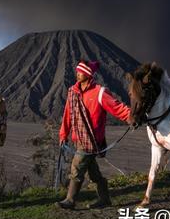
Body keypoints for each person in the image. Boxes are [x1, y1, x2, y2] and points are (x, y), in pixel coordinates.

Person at [57, 60, 133, 210]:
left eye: (81, 72)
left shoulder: (99, 92)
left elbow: (116, 107)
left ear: (88, 74)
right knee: (94, 173)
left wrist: (131, 116)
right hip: (78, 139)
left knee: (77, 167)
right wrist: (63, 134)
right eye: (77, 71)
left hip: (92, 141)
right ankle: (105, 199)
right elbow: (68, 114)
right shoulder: (73, 92)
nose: (77, 74)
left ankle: (70, 200)